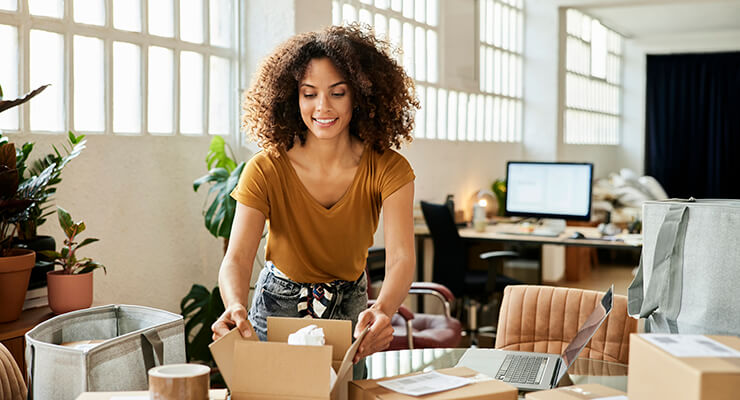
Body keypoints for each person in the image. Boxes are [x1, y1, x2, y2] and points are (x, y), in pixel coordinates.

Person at [211, 24, 419, 366]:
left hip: (351, 308)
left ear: (361, 94)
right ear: (293, 97)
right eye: (309, 93)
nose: (322, 107)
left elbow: (401, 258)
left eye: (337, 93)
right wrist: (235, 304)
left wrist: (382, 308)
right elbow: (237, 258)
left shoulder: (389, 169)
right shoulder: (266, 168)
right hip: (275, 307)